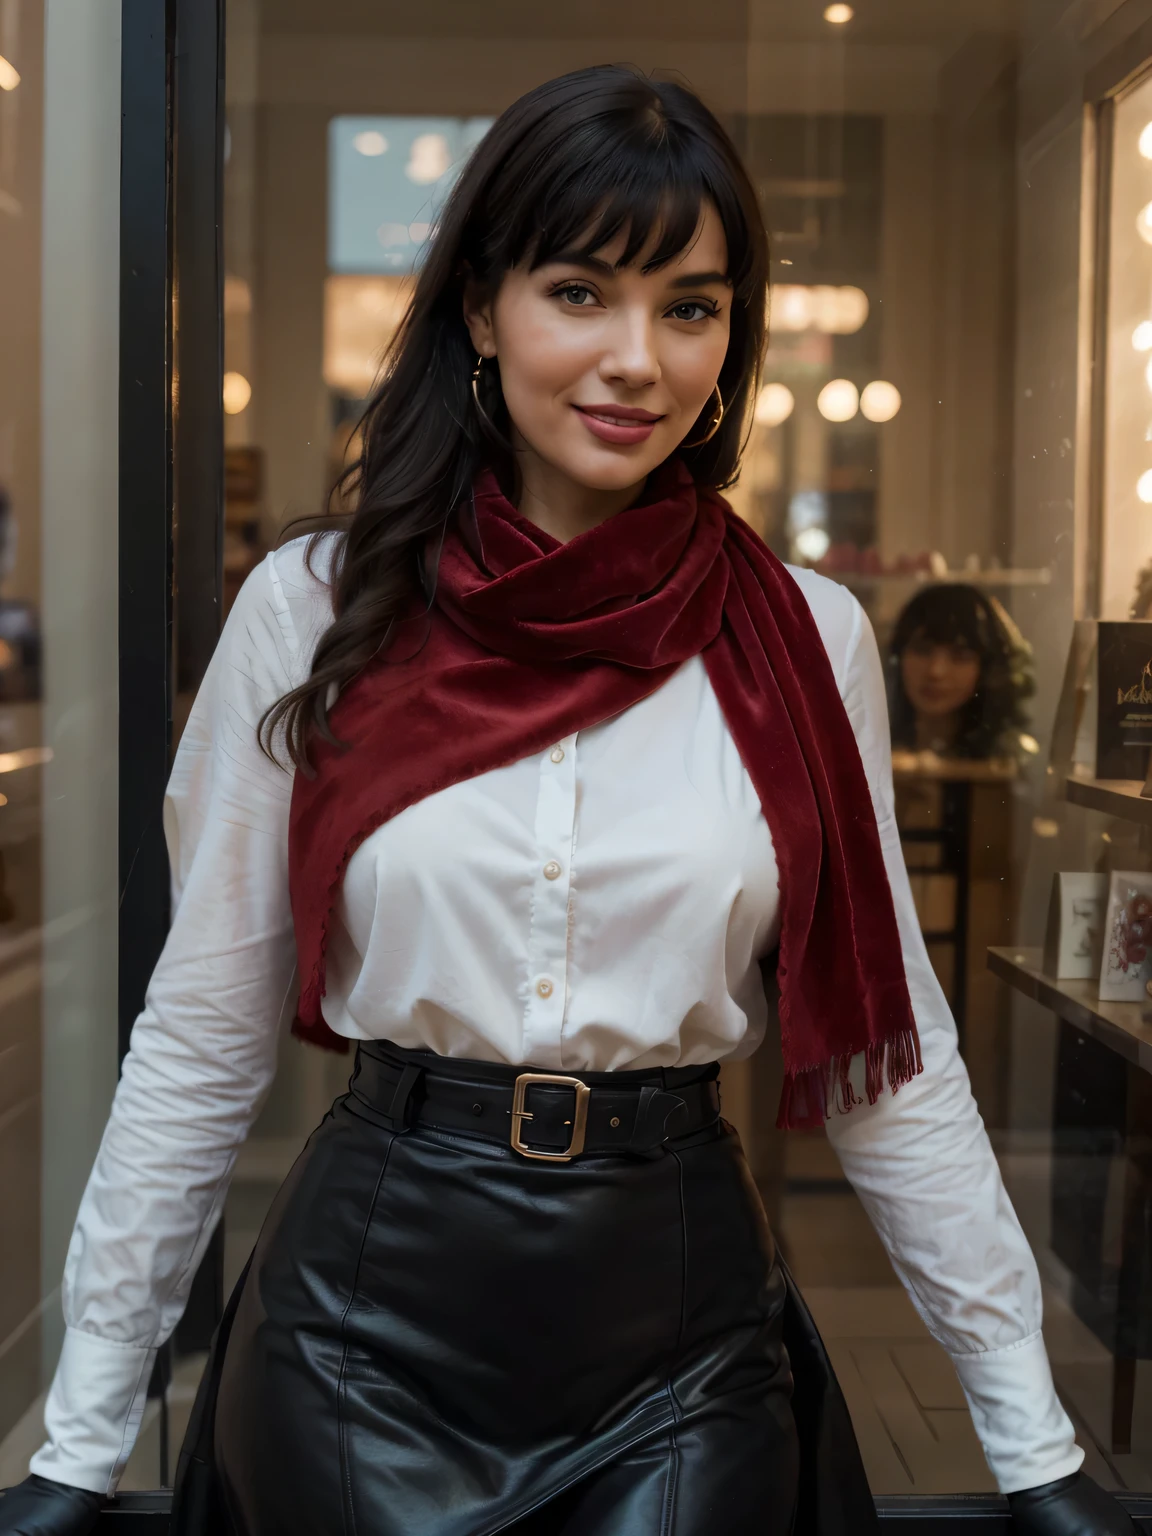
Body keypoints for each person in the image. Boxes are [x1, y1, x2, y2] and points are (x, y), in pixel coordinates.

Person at [0, 66, 1133, 1536]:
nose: (638, 360)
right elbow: (207, 1030)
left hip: (674, 1327)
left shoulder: (803, 636)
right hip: (365, 1327)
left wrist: (1034, 1446)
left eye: (691, 306)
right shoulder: (319, 610)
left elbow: (887, 1065)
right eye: (581, 292)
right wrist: (82, 1439)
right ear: (483, 308)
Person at [888, 583, 1034, 762]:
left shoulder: (1005, 761)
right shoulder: (867, 749)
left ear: (987, 667)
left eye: (960, 655)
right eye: (923, 650)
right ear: (899, 655)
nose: (936, 672)